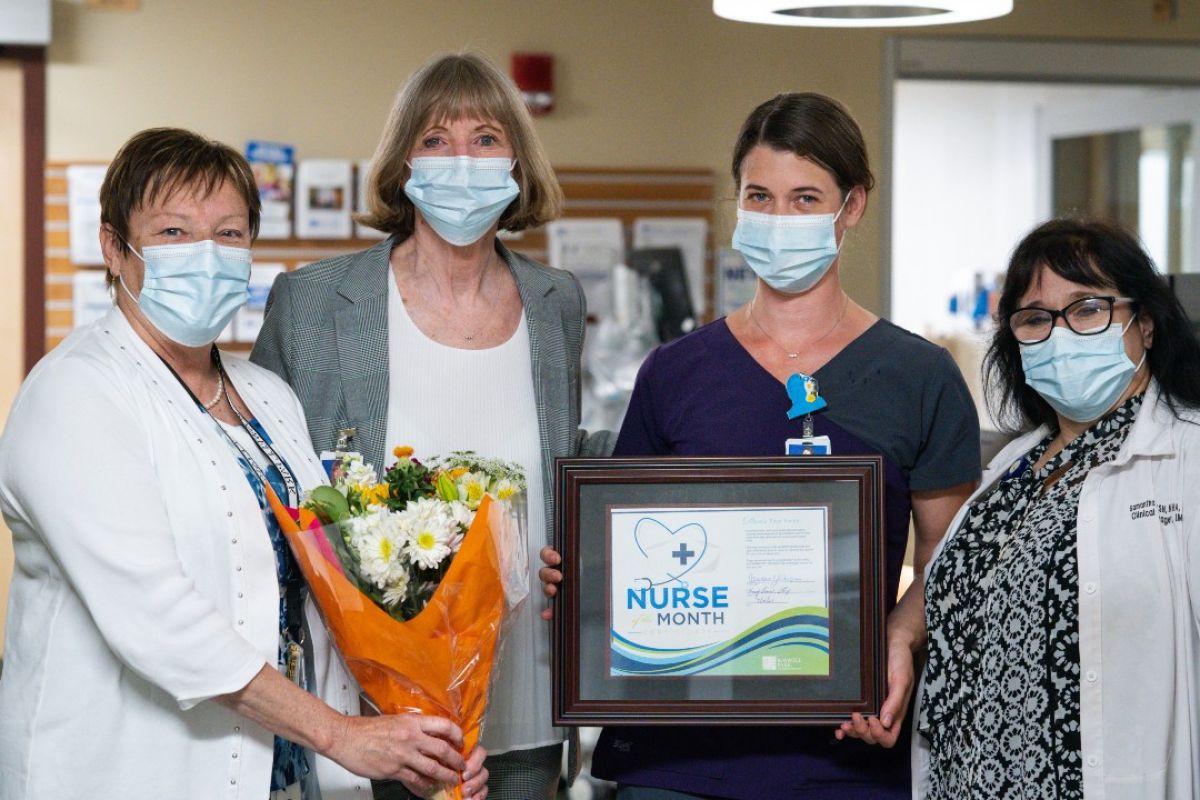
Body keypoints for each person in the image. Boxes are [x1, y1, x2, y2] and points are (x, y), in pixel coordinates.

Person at [0, 127, 487, 800]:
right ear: (115, 248)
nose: (205, 255)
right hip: (127, 770)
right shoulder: (75, 395)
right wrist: (342, 735)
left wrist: (416, 733)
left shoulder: (266, 395)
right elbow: (160, 621)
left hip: (281, 771)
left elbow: (329, 585)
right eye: (174, 233)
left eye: (228, 234)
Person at [541, 93, 981, 798]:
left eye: (806, 197)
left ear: (853, 206)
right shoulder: (676, 373)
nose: (780, 220)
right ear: (737, 203)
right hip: (678, 758)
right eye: (760, 196)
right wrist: (588, 577)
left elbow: (950, 558)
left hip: (845, 751)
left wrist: (899, 636)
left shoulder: (918, 376)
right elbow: (625, 545)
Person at [251, 53, 611, 800]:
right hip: (367, 714)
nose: (462, 161)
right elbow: (268, 490)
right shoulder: (314, 303)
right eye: (437, 140)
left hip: (526, 713)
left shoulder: (555, 303)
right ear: (403, 161)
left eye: (485, 139)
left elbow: (561, 472)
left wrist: (577, 547)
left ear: (516, 161)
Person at [903, 219, 1200, 797]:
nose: (1060, 333)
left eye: (1087, 309)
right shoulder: (1012, 466)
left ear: (1144, 322)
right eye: (1036, 318)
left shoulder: (1185, 456)